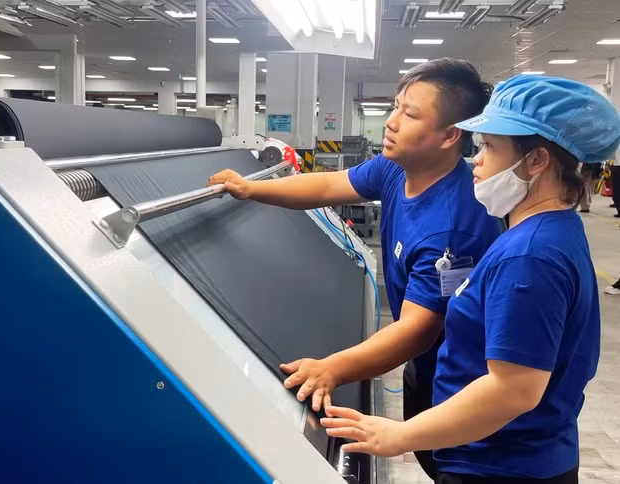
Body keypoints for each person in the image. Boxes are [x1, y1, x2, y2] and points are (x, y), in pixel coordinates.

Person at [208, 58, 502, 479]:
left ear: (450, 136)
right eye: (396, 106)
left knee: (454, 464)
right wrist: (251, 187)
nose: (392, 121)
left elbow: (420, 329)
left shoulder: (455, 225)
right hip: (429, 364)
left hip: (464, 378)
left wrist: (334, 368)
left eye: (410, 114)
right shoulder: (395, 169)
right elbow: (328, 185)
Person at [320, 76, 619, 483]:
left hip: (500, 465)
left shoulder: (530, 256)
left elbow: (512, 391)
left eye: (490, 147)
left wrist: (401, 434)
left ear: (536, 162)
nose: (476, 160)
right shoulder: (546, 229)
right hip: (515, 454)